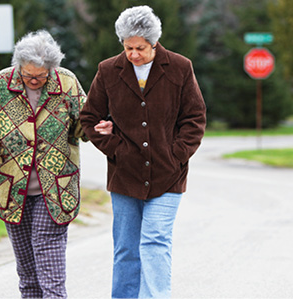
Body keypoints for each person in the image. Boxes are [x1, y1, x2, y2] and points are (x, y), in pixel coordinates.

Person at [80, 5, 207, 299]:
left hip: (168, 175)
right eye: (128, 48)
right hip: (124, 176)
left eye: (140, 48)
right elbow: (89, 118)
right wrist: (113, 147)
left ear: (154, 43)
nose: (134, 54)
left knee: (155, 241)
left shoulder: (179, 67)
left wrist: (177, 154)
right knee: (126, 247)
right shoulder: (108, 70)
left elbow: (195, 117)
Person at [0, 30, 87, 298]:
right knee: (28, 276)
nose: (34, 81)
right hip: (12, 191)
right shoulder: (0, 85)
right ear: (18, 66)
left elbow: (83, 125)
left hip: (56, 191)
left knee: (50, 273)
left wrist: (99, 127)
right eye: (28, 75)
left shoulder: (67, 83)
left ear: (51, 69)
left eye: (41, 75)